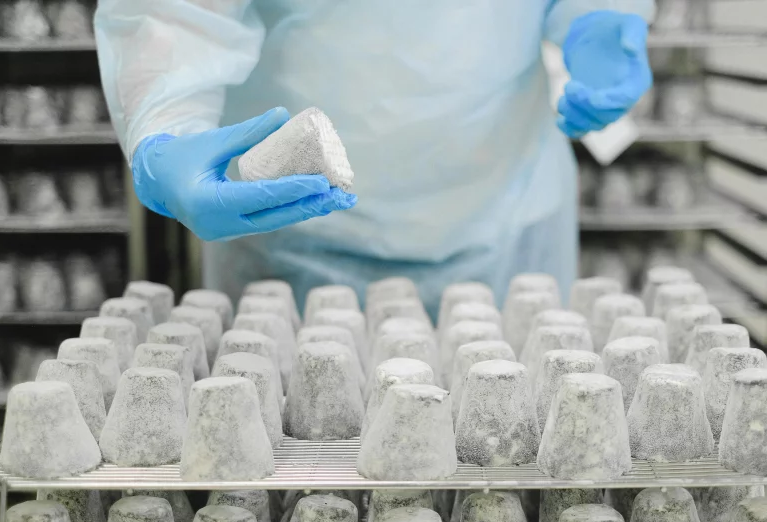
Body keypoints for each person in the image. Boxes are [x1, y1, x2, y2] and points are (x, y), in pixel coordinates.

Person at [95, 1, 654, 317]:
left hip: (503, 212)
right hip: (291, 229)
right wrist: (166, 127)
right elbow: (172, 12)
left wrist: (596, 16)